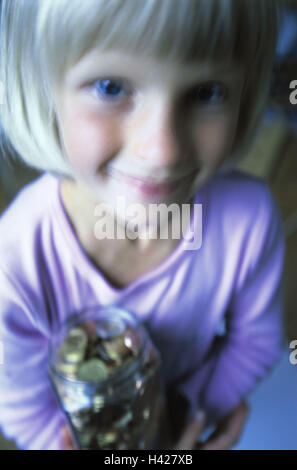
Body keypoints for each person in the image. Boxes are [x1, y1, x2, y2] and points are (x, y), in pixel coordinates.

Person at [0, 0, 285, 450]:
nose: (163, 151)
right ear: (40, 88)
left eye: (206, 92)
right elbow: (23, 410)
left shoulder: (248, 221)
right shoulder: (15, 263)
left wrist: (178, 422)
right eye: (112, 87)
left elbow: (256, 342)